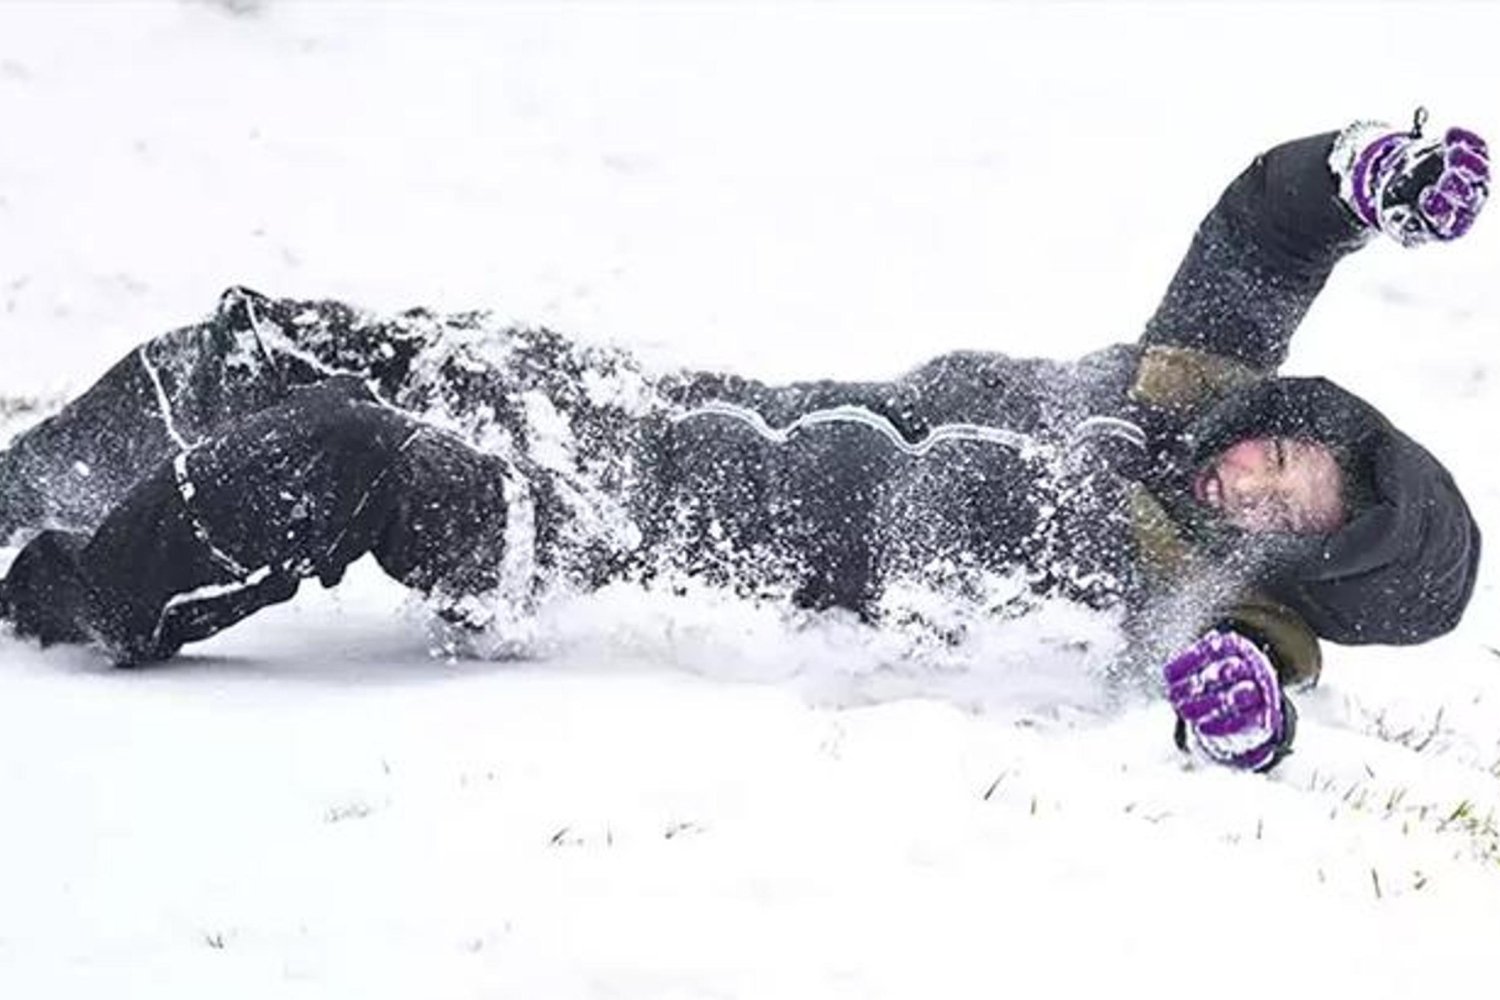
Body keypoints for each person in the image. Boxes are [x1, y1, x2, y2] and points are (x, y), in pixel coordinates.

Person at [0, 114, 1488, 773]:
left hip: (616, 558)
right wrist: (1368, 172)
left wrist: (1243, 716)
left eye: (1290, 503)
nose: (1261, 467)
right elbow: (1266, 228)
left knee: (329, 448)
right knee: (284, 340)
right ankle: (24, 486)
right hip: (647, 417)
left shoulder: (1207, 606)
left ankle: (53, 592)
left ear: (1297, 564)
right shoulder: (1186, 388)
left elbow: (1246, 701)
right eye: (1295, 444)